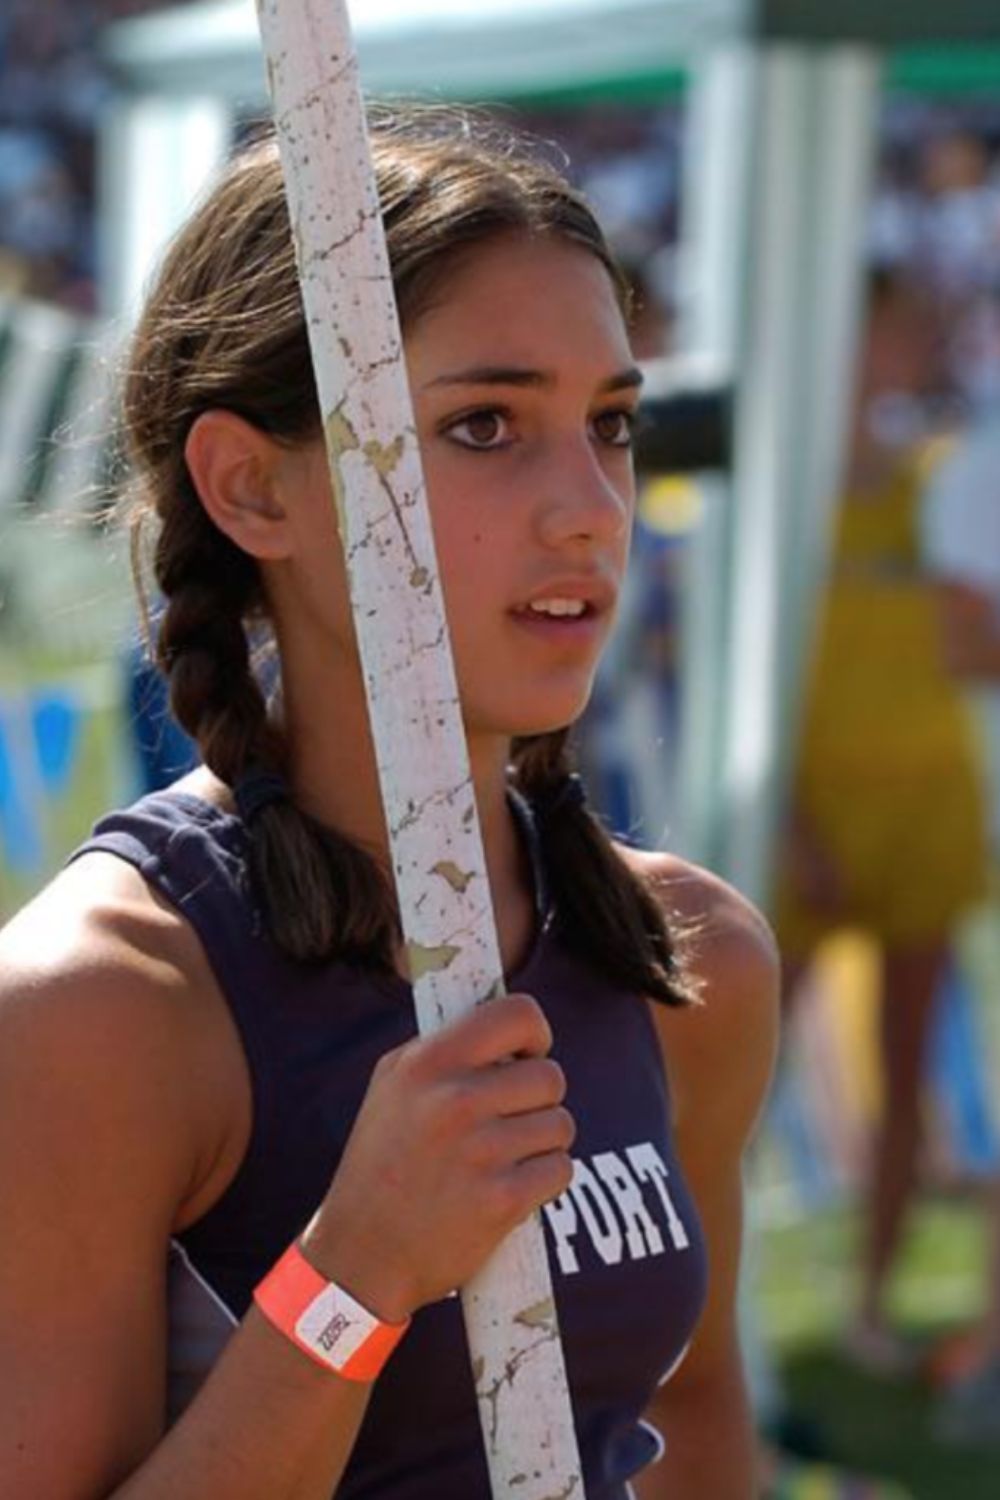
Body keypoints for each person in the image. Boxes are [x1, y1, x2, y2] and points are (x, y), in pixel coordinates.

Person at [0, 108, 778, 1500]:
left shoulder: (687, 956)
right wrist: (351, 1274)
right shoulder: (101, 1006)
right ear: (251, 485)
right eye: (484, 425)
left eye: (609, 424)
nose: (591, 506)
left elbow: (701, 1425)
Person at [774, 265, 989, 1373]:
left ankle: (870, 1306)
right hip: (807, 817)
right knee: (741, 1068)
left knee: (908, 1069)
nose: (908, 352)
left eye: (915, 331)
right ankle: (693, 1303)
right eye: (891, 331)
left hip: (927, 811)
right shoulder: (792, 488)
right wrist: (797, 826)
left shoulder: (944, 481)